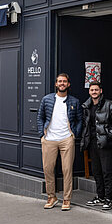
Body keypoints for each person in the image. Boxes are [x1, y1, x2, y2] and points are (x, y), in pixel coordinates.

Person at [37, 73, 82, 211]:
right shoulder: (47, 99)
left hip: (66, 139)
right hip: (49, 139)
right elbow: (40, 117)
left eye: (64, 81)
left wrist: (74, 134)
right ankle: (52, 197)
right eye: (59, 81)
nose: (62, 83)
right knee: (48, 169)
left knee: (67, 170)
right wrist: (41, 135)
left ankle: (66, 199)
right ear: (56, 84)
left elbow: (80, 119)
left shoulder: (74, 101)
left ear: (68, 84)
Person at [80, 82, 112, 210]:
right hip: (92, 142)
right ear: (89, 92)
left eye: (96, 90)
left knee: (106, 172)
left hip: (105, 143)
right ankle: (100, 197)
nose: (94, 92)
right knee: (97, 172)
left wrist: (108, 136)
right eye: (92, 90)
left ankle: (109, 199)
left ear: (101, 91)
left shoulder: (109, 104)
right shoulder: (86, 106)